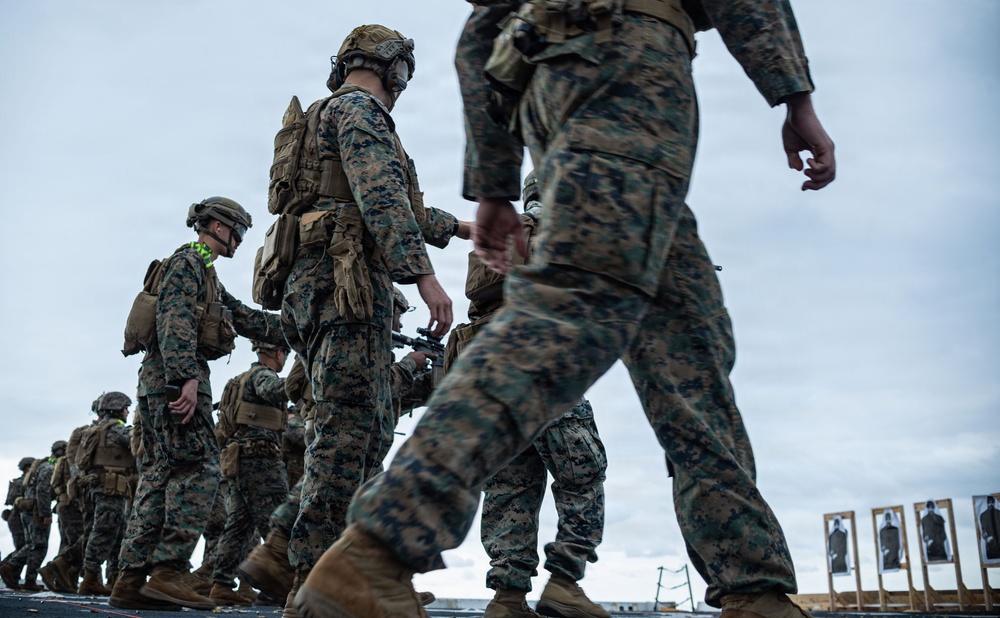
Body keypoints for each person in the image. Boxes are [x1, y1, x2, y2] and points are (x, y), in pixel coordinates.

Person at [294, 0, 836, 616]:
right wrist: (796, 98)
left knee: (691, 355)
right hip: (629, 89)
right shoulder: (358, 114)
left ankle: (752, 584)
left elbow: (481, 35)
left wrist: (496, 183)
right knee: (567, 314)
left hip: (582, 113)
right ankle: (378, 547)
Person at [276, 23, 470, 609]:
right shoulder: (361, 110)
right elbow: (380, 194)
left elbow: (379, 199)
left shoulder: (326, 114)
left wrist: (459, 227)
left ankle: (347, 579)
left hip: (324, 290)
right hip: (345, 290)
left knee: (361, 433)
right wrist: (424, 276)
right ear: (394, 69)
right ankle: (315, 586)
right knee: (346, 442)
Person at [445, 173, 609, 618]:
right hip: (541, 361)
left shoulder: (502, 231)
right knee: (582, 471)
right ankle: (565, 581)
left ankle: (508, 597)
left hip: (490, 369)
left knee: (511, 483)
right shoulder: (567, 226)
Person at [109, 197, 284, 611]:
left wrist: (299, 326)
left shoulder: (206, 272)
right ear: (218, 227)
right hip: (176, 379)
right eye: (237, 231)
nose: (240, 240)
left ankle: (130, 580)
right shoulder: (190, 262)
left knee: (158, 476)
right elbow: (175, 318)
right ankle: (170, 572)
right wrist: (184, 378)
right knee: (202, 467)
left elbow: (242, 316)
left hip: (159, 380)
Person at [208, 340, 291, 606]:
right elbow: (276, 390)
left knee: (239, 526)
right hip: (260, 460)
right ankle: (280, 584)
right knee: (277, 522)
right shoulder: (262, 376)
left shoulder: (238, 380)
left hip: (238, 460)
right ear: (278, 353)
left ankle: (221, 584)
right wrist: (303, 376)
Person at [75, 392, 136, 595]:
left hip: (100, 487)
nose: (128, 412)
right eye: (126, 408)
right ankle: (91, 579)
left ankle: (113, 580)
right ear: (117, 409)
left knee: (117, 535)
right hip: (110, 488)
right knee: (104, 532)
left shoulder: (96, 429)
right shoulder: (116, 429)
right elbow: (137, 444)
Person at [1, 441, 64, 591]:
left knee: (33, 544)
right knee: (38, 545)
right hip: (36, 510)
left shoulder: (41, 467)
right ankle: (11, 566)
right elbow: (43, 491)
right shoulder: (49, 468)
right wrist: (45, 513)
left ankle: (27, 578)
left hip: (29, 509)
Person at [981, 495, 1000, 561]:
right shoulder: (983, 515)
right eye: (989, 502)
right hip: (990, 545)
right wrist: (986, 538)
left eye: (992, 502)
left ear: (994, 503)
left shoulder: (998, 513)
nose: (990, 504)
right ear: (987, 503)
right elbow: (982, 530)